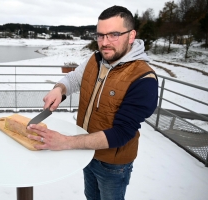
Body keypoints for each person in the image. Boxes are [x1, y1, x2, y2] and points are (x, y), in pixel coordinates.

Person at [27, 5, 158, 200]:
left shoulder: (143, 79)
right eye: (100, 35)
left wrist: (66, 142)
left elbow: (121, 133)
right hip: (86, 153)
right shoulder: (95, 59)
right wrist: (59, 90)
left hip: (113, 164)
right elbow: (73, 79)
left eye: (113, 35)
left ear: (131, 36)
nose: (104, 43)